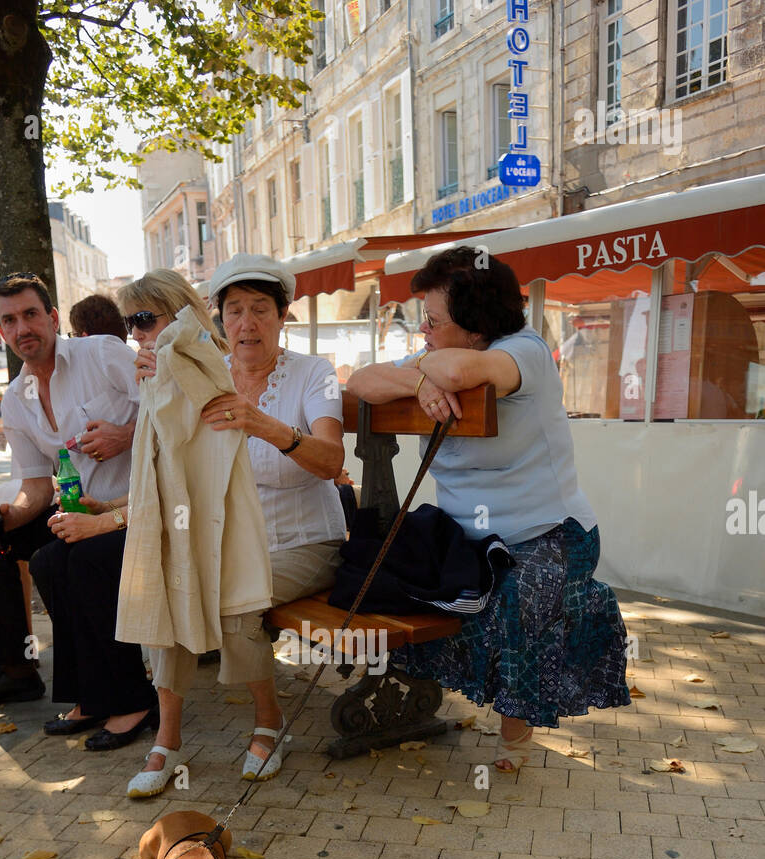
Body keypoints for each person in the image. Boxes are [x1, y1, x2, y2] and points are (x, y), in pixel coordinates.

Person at [348, 248, 630, 771]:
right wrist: (416, 380)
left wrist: (424, 368)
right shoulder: (433, 359)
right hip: (469, 539)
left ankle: (516, 731)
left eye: (432, 320)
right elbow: (359, 381)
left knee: (518, 599)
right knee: (382, 578)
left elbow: (460, 368)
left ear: (477, 326)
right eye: (421, 320)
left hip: (548, 533)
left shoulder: (525, 351)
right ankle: (406, 696)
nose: (423, 330)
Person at [0, 273, 151, 750]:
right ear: (1, 332)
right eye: (10, 320)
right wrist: (3, 516)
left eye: (31, 314)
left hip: (140, 506)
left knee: (64, 560)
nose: (23, 328)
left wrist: (127, 434)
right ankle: (16, 669)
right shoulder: (15, 399)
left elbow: (168, 410)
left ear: (53, 317)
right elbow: (36, 490)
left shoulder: (100, 353)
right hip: (81, 512)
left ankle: (119, 695)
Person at [114, 269, 273, 797]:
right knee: (168, 616)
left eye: (143, 319)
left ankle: (268, 722)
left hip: (220, 508)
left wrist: (157, 372)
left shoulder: (197, 350)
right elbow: (163, 440)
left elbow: (199, 409)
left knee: (238, 615)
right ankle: (167, 738)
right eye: (129, 322)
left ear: (176, 311)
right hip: (176, 513)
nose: (135, 331)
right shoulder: (166, 357)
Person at [198, 252, 345, 779]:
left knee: (236, 603)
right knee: (162, 578)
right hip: (235, 542)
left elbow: (332, 462)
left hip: (308, 542)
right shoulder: (208, 378)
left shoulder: (314, 373)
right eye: (234, 310)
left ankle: (268, 723)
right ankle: (161, 727)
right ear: (220, 321)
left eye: (261, 308)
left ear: (284, 316)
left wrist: (269, 427)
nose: (247, 322)